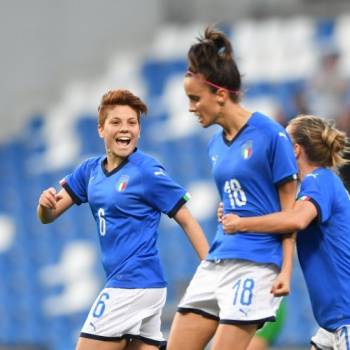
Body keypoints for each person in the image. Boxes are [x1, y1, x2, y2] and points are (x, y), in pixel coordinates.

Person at [37, 89, 209, 350]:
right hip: (139, 286)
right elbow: (49, 216)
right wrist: (44, 205)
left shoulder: (146, 171)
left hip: (133, 283)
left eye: (132, 122)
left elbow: (185, 217)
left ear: (139, 130)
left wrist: (210, 269)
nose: (125, 129)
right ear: (101, 130)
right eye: (116, 122)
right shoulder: (89, 171)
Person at [166, 26, 298, 350]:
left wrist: (286, 271)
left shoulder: (271, 135)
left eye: (195, 99)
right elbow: (242, 196)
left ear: (220, 95)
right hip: (218, 259)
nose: (191, 107)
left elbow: (290, 212)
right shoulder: (215, 144)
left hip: (256, 264)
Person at [220, 114, 350, 350]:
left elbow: (296, 220)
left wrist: (241, 223)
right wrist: (235, 212)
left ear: (296, 150)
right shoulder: (315, 186)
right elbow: (281, 222)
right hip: (331, 324)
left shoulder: (319, 181)